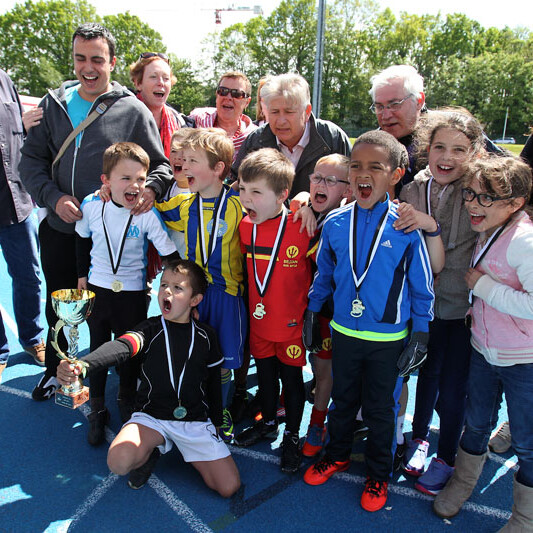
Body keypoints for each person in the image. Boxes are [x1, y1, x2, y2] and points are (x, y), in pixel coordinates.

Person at [18, 23, 173, 401]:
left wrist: (149, 190)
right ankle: (57, 372)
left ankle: (122, 377)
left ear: (112, 62)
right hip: (61, 226)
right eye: (80, 58)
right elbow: (30, 163)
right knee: (60, 307)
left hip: (112, 237)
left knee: (115, 312)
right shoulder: (52, 104)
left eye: (97, 60)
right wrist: (53, 197)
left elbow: (161, 166)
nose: (88, 67)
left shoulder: (132, 109)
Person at [302, 130, 434, 512]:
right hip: (344, 332)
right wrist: (313, 309)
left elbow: (422, 286)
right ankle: (337, 455)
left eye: (375, 167)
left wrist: (421, 334)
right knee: (343, 401)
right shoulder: (335, 223)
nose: (364, 174)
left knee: (379, 410)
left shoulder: (405, 228)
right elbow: (324, 274)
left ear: (395, 175)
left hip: (388, 340)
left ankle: (378, 475)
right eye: (356, 166)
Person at [57, 259, 241, 496]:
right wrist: (83, 365)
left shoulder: (207, 336)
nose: (167, 291)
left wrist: (216, 420)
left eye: (178, 288)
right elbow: (121, 347)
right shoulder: (148, 329)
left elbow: (214, 382)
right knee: (118, 462)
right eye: (164, 285)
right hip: (152, 418)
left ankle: (171, 446)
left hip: (194, 421)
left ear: (195, 300)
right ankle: (151, 449)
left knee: (228, 487)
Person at [433, 155, 533, 531]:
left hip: (524, 359)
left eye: (486, 197)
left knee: (527, 441)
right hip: (484, 350)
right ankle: (462, 482)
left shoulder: (524, 241)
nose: (474, 204)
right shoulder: (491, 227)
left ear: (516, 203)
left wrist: (485, 288)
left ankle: (525, 517)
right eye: (470, 194)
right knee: (476, 424)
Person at [393, 109, 485, 495]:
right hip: (421, 306)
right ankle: (419, 439)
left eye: (459, 150)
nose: (447, 157)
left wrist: (433, 227)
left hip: (461, 307)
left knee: (453, 386)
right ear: (426, 149)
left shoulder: (478, 191)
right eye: (439, 147)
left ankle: (447, 455)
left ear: (474, 153)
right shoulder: (413, 189)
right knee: (425, 376)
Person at [75, 142, 179, 445]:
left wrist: (182, 286)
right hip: (97, 291)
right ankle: (97, 407)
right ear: (105, 181)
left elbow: (169, 253)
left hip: (132, 294)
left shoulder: (146, 213)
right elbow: (81, 239)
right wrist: (81, 276)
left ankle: (126, 398)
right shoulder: (91, 204)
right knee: (97, 347)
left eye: (140, 179)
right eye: (125, 178)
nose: (134, 185)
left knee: (130, 350)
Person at [156, 129, 247, 442]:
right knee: (191, 354)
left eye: (193, 161)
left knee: (223, 361)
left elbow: (273, 216)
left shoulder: (239, 204)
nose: (184, 166)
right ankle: (193, 406)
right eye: (184, 159)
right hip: (193, 296)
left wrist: (302, 205)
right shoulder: (184, 204)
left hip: (227, 296)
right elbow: (151, 209)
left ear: (218, 168)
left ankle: (221, 409)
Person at [234, 148, 313, 474]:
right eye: (242, 189)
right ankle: (267, 421)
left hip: (291, 326)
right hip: (259, 324)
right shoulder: (245, 226)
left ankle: (292, 435)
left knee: (292, 383)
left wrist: (307, 203)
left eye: (256, 192)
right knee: (266, 381)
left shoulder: (302, 224)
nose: (246, 198)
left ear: (282, 195)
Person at [292, 154, 352, 458]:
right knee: (309, 363)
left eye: (330, 180)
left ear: (348, 190)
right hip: (302, 307)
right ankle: (290, 403)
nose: (320, 184)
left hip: (333, 312)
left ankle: (317, 423)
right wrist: (302, 204)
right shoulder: (306, 212)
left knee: (326, 369)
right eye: (316, 178)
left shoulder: (346, 221)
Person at [232, 73, 351, 197]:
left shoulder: (333, 139)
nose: (281, 121)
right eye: (275, 112)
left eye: (289, 112)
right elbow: (236, 188)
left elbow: (351, 191)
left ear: (307, 112)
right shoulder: (255, 142)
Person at [0, 68, 45, 382]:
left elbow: (21, 136)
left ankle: (32, 338)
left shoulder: (5, 79)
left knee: (29, 275)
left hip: (16, 200)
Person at [129, 52, 194, 158]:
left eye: (166, 78)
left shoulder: (181, 124)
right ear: (138, 83)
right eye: (153, 77)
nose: (161, 83)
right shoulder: (124, 118)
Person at [189, 71, 256, 159]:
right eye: (223, 91)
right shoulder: (197, 120)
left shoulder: (254, 137)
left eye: (236, 94)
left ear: (247, 102)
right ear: (217, 94)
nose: (228, 97)